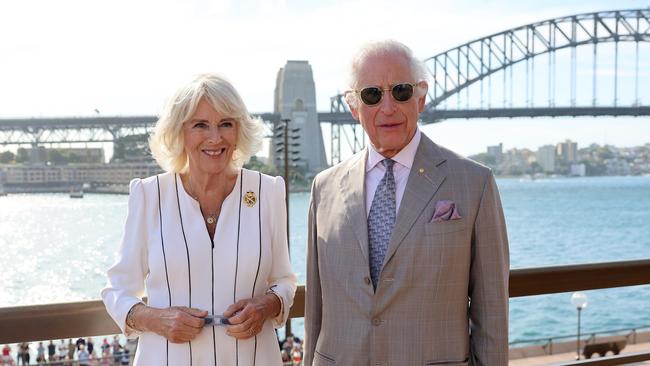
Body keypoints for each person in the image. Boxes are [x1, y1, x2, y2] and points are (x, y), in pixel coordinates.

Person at [304, 40, 510, 365]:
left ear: (421, 97)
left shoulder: (475, 184)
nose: (388, 107)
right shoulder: (324, 188)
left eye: (400, 91)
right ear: (353, 106)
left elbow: (492, 312)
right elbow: (315, 307)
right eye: (372, 94)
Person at [102, 73, 297, 366]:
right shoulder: (148, 194)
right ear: (179, 132)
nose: (215, 138)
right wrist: (156, 319)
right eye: (200, 125)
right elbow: (117, 291)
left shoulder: (267, 192)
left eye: (226, 124)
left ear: (239, 130)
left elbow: (284, 281)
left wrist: (266, 305)